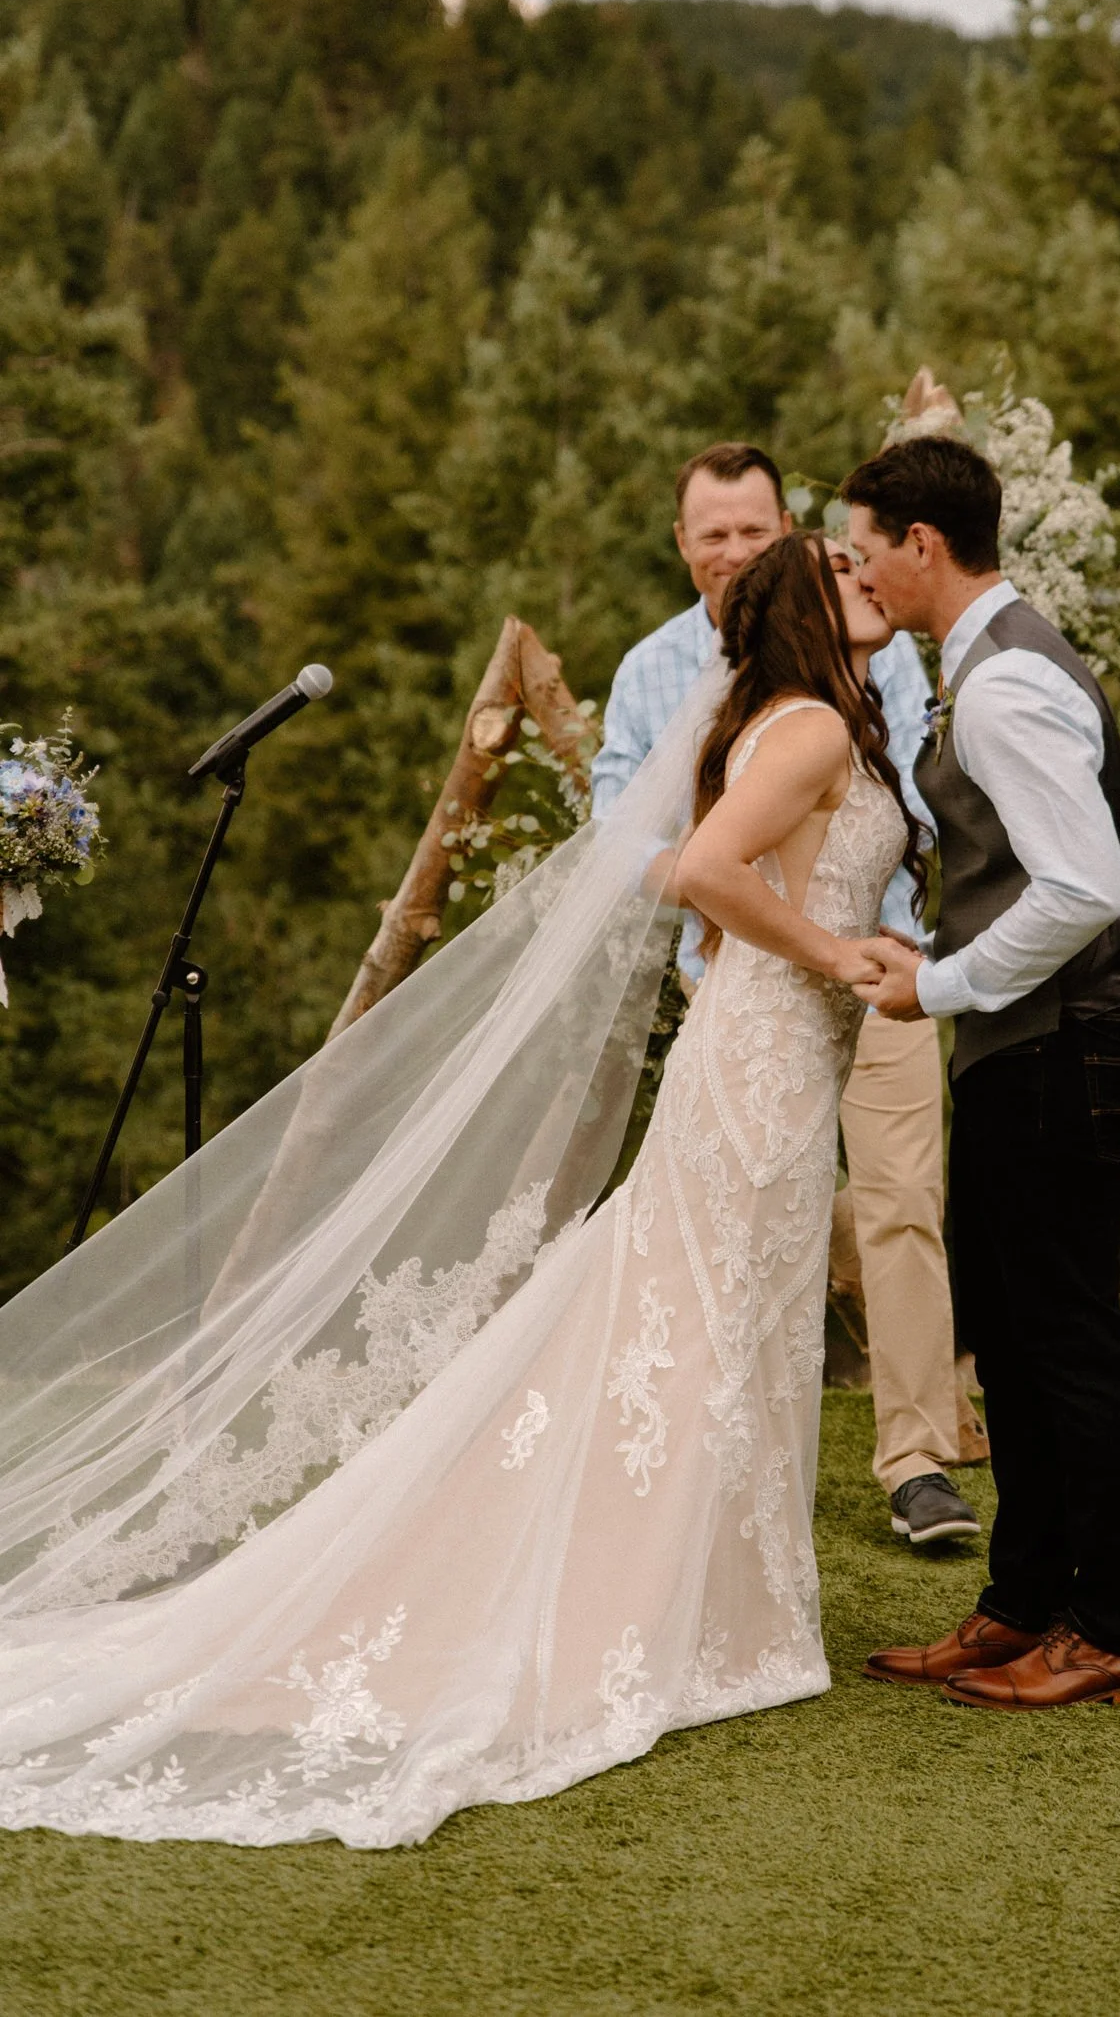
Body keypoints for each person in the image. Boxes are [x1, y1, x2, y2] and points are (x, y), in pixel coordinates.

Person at [0, 533, 911, 1848]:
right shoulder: (810, 725)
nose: (867, 574)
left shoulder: (805, 720)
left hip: (775, 1051)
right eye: (841, 567)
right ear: (803, 610)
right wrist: (831, 953)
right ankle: (670, 1605)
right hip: (762, 1063)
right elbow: (707, 870)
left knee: (720, 1322)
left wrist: (832, 948)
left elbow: (743, 881)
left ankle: (721, 1598)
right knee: (704, 1323)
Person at [592, 441, 985, 1547]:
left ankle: (915, 1458)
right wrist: (787, 936)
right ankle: (673, 1514)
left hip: (880, 981)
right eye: (711, 532)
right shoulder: (676, 676)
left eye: (753, 531)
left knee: (896, 1204)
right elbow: (654, 844)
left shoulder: (872, 659)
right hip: (779, 996)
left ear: (777, 535)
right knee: (727, 1267)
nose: (732, 549)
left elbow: (903, 806)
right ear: (682, 543)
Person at [843, 434, 1120, 1714]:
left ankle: (1115, 1630)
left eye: (865, 550)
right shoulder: (988, 664)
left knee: (1067, 1334)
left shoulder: (1000, 687)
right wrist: (939, 963)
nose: (860, 572)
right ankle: (1024, 1601)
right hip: (1023, 1038)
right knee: (1016, 1333)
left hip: (1060, 1039)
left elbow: (1082, 886)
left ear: (922, 544)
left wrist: (937, 986)